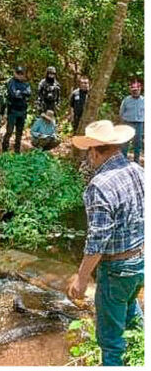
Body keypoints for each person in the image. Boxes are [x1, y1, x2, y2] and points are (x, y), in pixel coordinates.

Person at [68, 120, 144, 366]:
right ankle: (141, 355)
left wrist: (81, 279)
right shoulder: (138, 170)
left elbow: (97, 241)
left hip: (116, 270)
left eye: (89, 150)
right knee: (132, 314)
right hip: (141, 261)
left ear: (94, 150)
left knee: (110, 343)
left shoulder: (99, 186)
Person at [2, 66, 32, 153]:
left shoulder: (26, 84)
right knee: (9, 131)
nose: (20, 75)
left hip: (22, 111)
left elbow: (29, 93)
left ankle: (17, 151)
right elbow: (14, 94)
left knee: (19, 133)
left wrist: (20, 92)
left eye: (21, 73)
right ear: (15, 73)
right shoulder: (11, 82)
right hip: (13, 110)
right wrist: (22, 93)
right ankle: (4, 149)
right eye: (18, 73)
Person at [120, 80, 144, 163]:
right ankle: (123, 161)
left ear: (140, 89)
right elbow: (121, 112)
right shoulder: (126, 100)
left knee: (138, 144)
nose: (135, 91)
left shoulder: (144, 100)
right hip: (127, 123)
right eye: (133, 90)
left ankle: (136, 162)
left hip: (139, 123)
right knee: (125, 143)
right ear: (130, 90)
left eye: (136, 90)